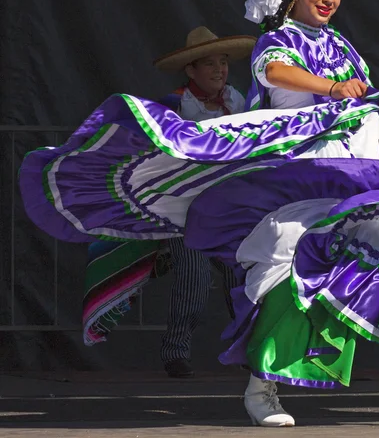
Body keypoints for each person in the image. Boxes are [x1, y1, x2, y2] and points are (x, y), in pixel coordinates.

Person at [19, 0, 379, 429]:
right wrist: (329, 88)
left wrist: (354, 100)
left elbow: (355, 90)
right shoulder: (276, 42)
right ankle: (261, 390)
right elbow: (276, 73)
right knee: (280, 276)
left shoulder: (342, 44)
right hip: (291, 176)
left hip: (346, 172)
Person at [81, 27, 255, 379]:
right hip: (185, 210)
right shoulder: (173, 107)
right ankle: (176, 351)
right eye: (209, 64)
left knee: (244, 279)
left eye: (223, 62)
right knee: (193, 276)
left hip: (233, 209)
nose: (219, 70)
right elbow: (152, 152)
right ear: (191, 70)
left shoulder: (242, 103)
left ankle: (247, 352)